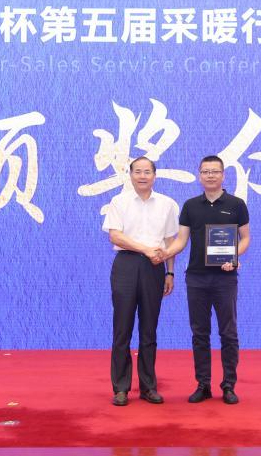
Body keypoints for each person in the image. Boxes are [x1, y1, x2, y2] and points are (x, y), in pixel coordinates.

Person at [163, 155, 250, 405]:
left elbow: (245, 238)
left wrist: (234, 256)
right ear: (199, 175)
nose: (210, 175)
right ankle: (203, 384)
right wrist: (164, 254)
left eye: (215, 171)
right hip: (196, 278)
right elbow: (181, 241)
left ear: (223, 175)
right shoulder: (190, 206)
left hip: (225, 278)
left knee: (228, 332)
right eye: (205, 171)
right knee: (199, 333)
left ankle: (229, 385)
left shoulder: (236, 204)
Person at [102, 156, 178, 406]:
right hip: (126, 264)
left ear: (155, 176)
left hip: (155, 267)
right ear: (130, 174)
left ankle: (148, 387)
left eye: (147, 172)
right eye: (138, 172)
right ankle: (121, 388)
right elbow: (115, 236)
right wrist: (145, 249)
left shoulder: (167, 204)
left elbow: (170, 241)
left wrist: (170, 272)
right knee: (122, 328)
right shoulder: (119, 201)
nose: (142, 176)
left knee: (149, 329)